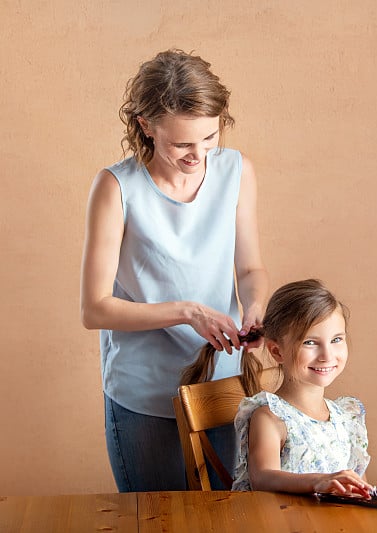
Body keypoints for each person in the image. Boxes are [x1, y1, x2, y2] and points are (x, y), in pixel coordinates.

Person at [80, 49, 268, 492]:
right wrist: (187, 312)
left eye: (209, 137)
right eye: (182, 143)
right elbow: (95, 310)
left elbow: (250, 267)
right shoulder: (116, 187)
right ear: (146, 126)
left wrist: (256, 306)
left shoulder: (237, 172)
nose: (198, 154)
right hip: (144, 394)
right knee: (156, 520)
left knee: (225, 519)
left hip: (222, 385)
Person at [184, 279, 372, 496]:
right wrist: (319, 481)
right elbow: (262, 478)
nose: (327, 356)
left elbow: (361, 490)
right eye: (310, 342)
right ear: (276, 352)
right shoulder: (270, 417)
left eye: (336, 339)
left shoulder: (347, 418)